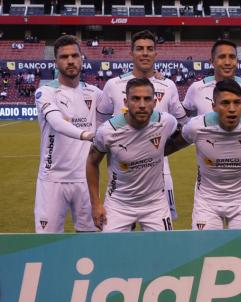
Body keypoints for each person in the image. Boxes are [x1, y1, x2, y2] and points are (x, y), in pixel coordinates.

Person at [96, 30, 187, 221]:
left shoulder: (168, 85)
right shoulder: (113, 85)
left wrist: (164, 148)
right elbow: (100, 123)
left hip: (159, 169)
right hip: (122, 174)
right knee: (121, 232)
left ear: (156, 53)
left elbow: (182, 124)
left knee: (162, 234)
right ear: (131, 53)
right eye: (139, 49)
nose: (145, 53)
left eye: (149, 49)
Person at [175, 79, 241, 230]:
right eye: (225, 103)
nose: (232, 109)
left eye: (237, 103)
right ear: (213, 106)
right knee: (206, 251)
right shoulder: (196, 127)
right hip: (207, 203)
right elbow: (172, 145)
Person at [87, 78, 179, 232]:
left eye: (147, 99)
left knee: (164, 252)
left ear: (155, 102)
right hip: (119, 204)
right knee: (110, 254)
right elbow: (91, 162)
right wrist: (96, 204)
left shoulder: (167, 122)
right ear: (126, 102)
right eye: (135, 99)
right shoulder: (107, 132)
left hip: (155, 204)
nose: (142, 105)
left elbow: (182, 136)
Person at [34, 35, 101, 233]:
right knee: (47, 243)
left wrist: (152, 78)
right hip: (52, 179)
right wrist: (87, 135)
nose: (70, 61)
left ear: (82, 58)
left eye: (74, 55)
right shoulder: (45, 92)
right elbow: (56, 122)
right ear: (56, 62)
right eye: (64, 57)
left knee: (91, 241)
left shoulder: (95, 93)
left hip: (86, 179)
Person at [182, 39, 241, 116]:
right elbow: (183, 115)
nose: (227, 62)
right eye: (222, 57)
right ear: (212, 62)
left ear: (237, 61)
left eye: (232, 57)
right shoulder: (196, 88)